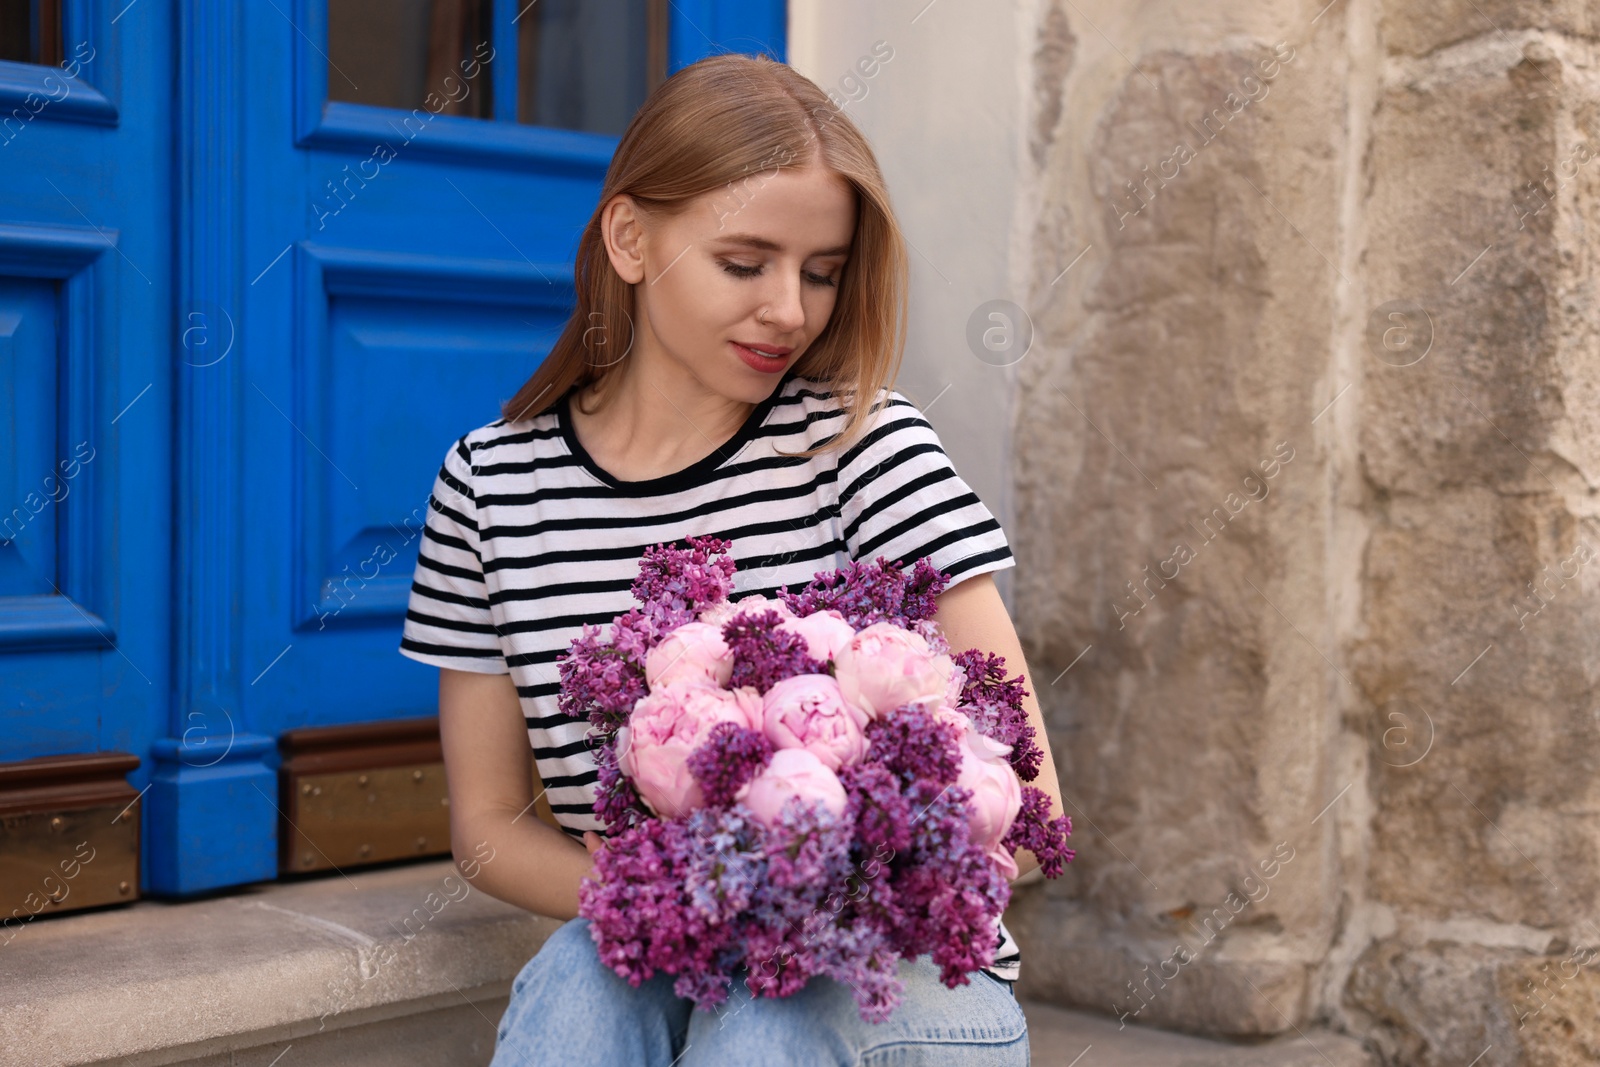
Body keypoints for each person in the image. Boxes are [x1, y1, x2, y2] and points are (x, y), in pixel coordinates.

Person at [398, 51, 1064, 1067]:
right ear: (629, 236)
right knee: (583, 979)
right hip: (667, 961)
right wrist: (681, 902)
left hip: (904, 984)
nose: (790, 311)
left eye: (823, 272)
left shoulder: (865, 447)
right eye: (745, 263)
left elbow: (1031, 810)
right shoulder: (491, 488)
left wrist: (812, 901)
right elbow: (487, 825)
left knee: (763, 1021)